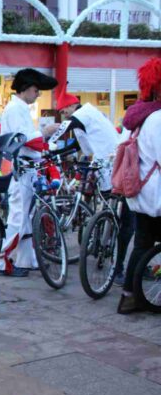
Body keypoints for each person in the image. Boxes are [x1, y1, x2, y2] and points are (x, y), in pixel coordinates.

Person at [56, 92, 133, 282]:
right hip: (103, 163)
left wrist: (48, 141)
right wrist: (53, 152)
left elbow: (67, 125)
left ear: (73, 105)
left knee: (119, 215)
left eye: (63, 109)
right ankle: (101, 237)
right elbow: (75, 145)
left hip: (113, 164)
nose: (63, 113)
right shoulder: (83, 120)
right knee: (106, 205)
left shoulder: (85, 113)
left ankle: (113, 254)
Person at [0, 69, 60, 277]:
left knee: (25, 217)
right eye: (36, 89)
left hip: (25, 168)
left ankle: (26, 260)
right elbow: (23, 139)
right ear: (26, 88)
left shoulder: (18, 108)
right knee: (18, 217)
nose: (38, 94)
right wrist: (45, 133)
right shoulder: (15, 109)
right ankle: (2, 262)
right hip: (21, 169)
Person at [115, 58, 161, 314]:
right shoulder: (158, 118)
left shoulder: (137, 116)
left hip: (138, 193)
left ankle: (129, 297)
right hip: (156, 195)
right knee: (144, 244)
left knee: (142, 244)